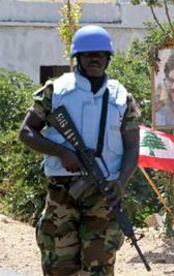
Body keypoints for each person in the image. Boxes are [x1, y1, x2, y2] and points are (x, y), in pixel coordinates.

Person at [19, 25, 141, 275]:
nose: (94, 59)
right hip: (62, 192)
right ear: (78, 58)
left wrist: (121, 182)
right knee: (59, 264)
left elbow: (132, 146)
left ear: (108, 58)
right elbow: (26, 132)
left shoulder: (121, 97)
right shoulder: (55, 91)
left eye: (100, 54)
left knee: (99, 266)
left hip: (104, 192)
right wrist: (62, 153)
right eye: (88, 54)